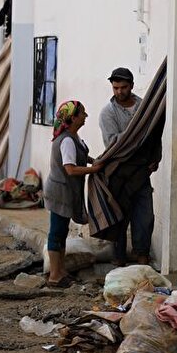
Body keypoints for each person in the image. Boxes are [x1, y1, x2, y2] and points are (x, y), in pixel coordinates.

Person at [98, 67, 155, 266]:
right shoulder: (108, 113)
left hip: (142, 173)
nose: (119, 92)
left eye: (123, 87)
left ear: (131, 85)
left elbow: (155, 133)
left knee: (145, 217)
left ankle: (142, 261)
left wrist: (155, 157)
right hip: (120, 174)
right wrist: (137, 134)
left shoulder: (144, 107)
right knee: (119, 220)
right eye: (115, 88)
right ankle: (119, 262)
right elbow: (114, 144)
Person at [45, 101, 104, 287]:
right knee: (56, 232)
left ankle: (61, 271)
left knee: (61, 232)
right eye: (82, 113)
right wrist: (94, 170)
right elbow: (70, 169)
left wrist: (93, 161)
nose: (85, 116)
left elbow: (79, 156)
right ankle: (54, 275)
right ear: (72, 118)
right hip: (60, 191)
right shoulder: (67, 141)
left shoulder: (72, 137)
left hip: (65, 191)